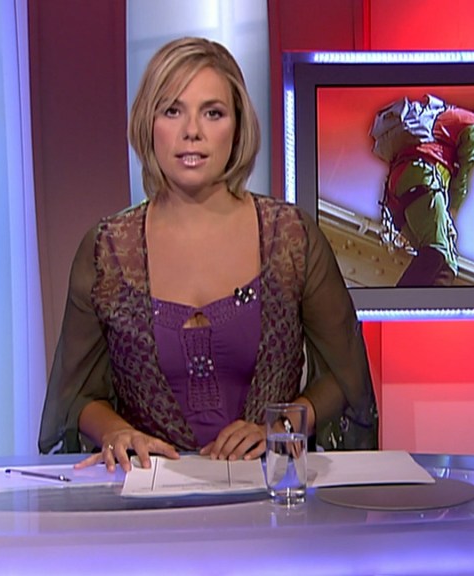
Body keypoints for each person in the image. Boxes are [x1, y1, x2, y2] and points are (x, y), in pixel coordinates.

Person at [38, 37, 378, 472]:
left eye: (212, 112)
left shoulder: (291, 238)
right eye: (172, 111)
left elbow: (344, 377)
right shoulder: (106, 250)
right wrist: (116, 433)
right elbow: (75, 397)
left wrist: (282, 426)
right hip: (147, 493)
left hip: (270, 489)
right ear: (147, 123)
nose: (192, 131)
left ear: (237, 127)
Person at [382, 98, 474, 286]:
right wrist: (451, 212)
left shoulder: (450, 119)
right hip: (422, 178)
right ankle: (401, 303)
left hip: (400, 187)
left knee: (447, 262)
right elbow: (462, 174)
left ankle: (422, 301)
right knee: (438, 251)